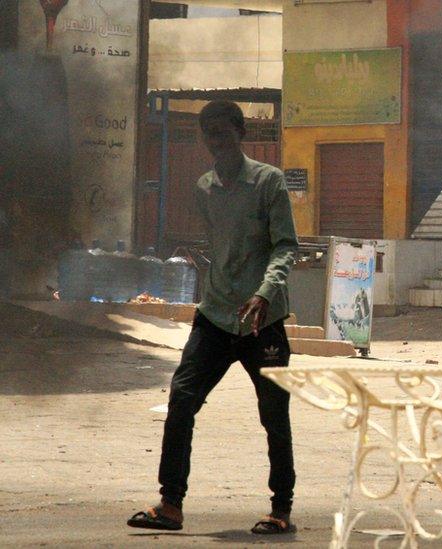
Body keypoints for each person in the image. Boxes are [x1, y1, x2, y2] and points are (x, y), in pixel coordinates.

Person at [127, 101, 300, 535]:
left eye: (222, 133)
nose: (214, 143)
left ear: (240, 133)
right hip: (216, 314)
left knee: (273, 414)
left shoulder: (268, 182)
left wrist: (264, 292)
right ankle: (170, 505)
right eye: (208, 135)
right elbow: (218, 246)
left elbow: (285, 246)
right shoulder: (203, 187)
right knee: (181, 399)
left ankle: (281, 510)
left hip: (263, 321)